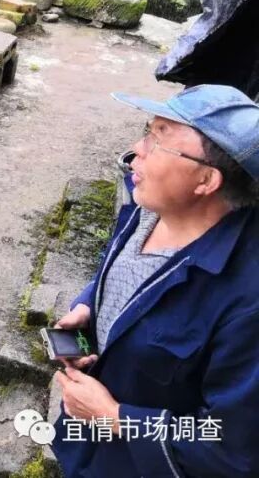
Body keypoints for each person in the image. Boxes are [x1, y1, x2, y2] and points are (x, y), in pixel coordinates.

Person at [51, 85, 259, 477]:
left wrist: (116, 418)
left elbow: (232, 451)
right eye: (147, 131)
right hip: (85, 447)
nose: (137, 150)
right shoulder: (149, 208)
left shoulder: (247, 303)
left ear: (206, 180)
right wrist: (89, 305)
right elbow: (124, 274)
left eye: (159, 140)